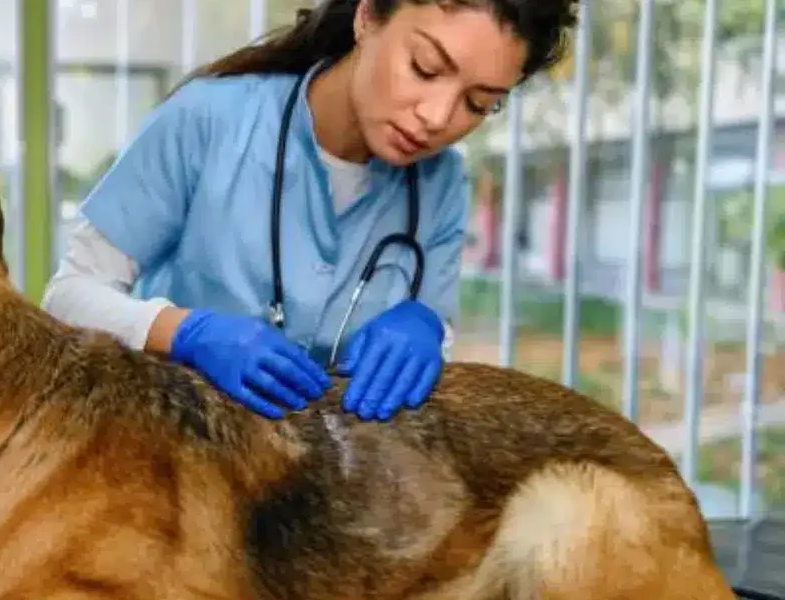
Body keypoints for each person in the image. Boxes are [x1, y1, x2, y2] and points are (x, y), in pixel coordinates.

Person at [41, 0, 578, 422]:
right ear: (368, 17)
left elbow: (429, 327)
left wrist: (428, 330)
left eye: (478, 103)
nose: (437, 117)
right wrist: (184, 332)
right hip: (168, 466)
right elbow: (68, 296)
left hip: (313, 505)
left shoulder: (440, 183)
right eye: (425, 67)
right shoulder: (208, 120)